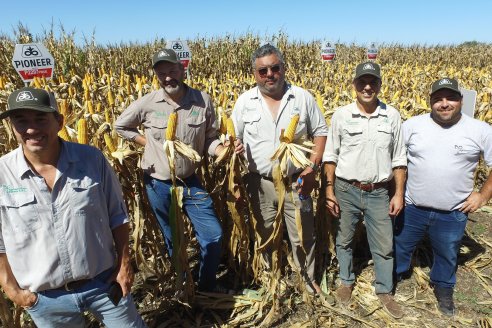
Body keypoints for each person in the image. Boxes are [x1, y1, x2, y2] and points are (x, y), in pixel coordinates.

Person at [0, 87, 146, 327]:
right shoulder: (3, 174)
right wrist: (12, 289)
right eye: (21, 120)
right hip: (46, 299)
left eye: (40, 119)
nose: (31, 129)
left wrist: (124, 263)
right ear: (12, 126)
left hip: (104, 283)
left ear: (59, 121)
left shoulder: (92, 159)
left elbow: (118, 216)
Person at [115, 49, 235, 293]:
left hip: (190, 181)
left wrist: (222, 149)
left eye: (172, 71)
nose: (168, 77)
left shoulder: (202, 101)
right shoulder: (148, 103)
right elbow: (120, 125)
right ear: (157, 76)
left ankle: (206, 285)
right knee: (173, 239)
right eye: (162, 73)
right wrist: (148, 142)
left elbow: (209, 138)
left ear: (182, 70)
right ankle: (184, 285)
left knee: (212, 235)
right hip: (157, 183)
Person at [231, 44, 328, 294]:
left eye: (275, 68)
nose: (270, 74)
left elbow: (320, 132)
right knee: (265, 233)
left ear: (283, 68)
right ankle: (270, 279)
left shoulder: (302, 98)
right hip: (259, 183)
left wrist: (313, 168)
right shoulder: (245, 102)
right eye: (263, 71)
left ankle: (307, 280)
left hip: (297, 181)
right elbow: (233, 137)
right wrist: (235, 146)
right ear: (255, 73)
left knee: (302, 233)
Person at [394, 77, 492, 316]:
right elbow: (397, 161)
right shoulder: (412, 125)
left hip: (453, 212)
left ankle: (443, 287)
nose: (444, 104)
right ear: (430, 102)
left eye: (450, 98)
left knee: (448, 252)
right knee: (400, 246)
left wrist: (483, 196)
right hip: (412, 206)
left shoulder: (480, 130)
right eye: (438, 99)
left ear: (460, 100)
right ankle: (395, 275)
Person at [323, 62, 407, 318]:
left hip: (379, 191)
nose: (367, 87)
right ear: (354, 85)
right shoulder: (341, 115)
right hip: (346, 189)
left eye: (372, 82)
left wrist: (398, 193)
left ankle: (384, 290)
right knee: (344, 239)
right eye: (362, 82)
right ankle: (346, 281)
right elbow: (330, 155)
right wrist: (329, 189)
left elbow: (399, 159)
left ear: (380, 85)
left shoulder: (392, 115)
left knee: (383, 244)